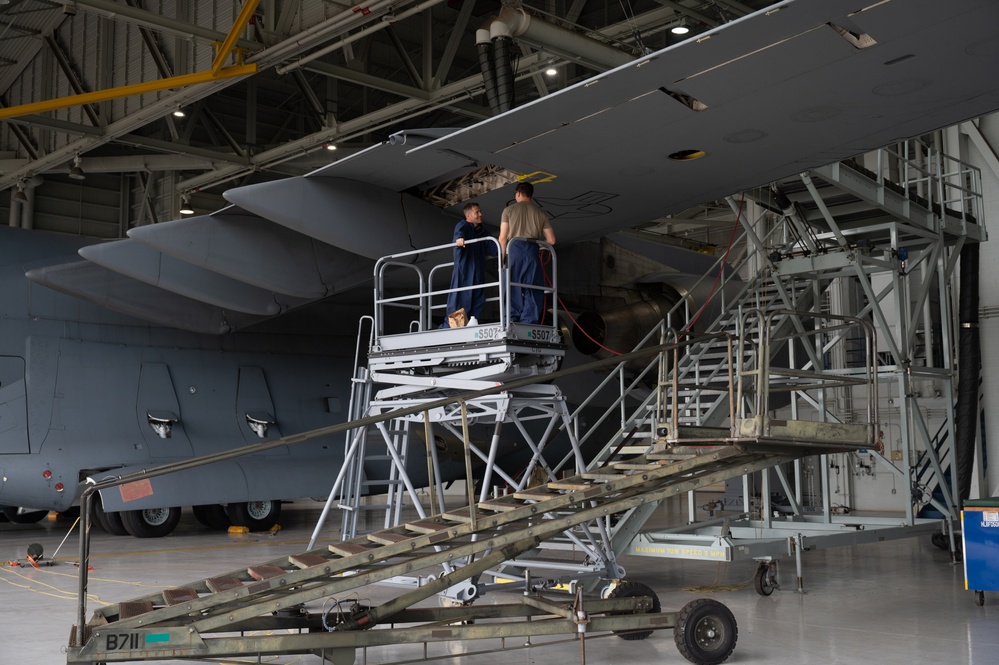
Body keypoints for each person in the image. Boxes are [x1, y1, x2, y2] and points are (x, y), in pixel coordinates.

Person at [499, 181, 556, 324]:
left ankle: (510, 319)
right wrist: (541, 247)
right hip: (532, 251)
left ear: (518, 194)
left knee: (512, 286)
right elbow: (552, 240)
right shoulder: (541, 213)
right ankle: (529, 321)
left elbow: (502, 237)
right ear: (531, 195)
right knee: (533, 287)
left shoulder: (509, 210)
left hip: (514, 250)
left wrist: (502, 260)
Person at [442, 202, 495, 327]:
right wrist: (459, 240)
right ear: (469, 216)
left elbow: (494, 249)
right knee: (458, 308)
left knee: (477, 305)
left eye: (480, 211)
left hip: (478, 275)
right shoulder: (463, 226)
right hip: (463, 274)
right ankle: (446, 332)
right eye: (477, 212)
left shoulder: (483, 232)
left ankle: (470, 334)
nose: (480, 214)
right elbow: (459, 234)